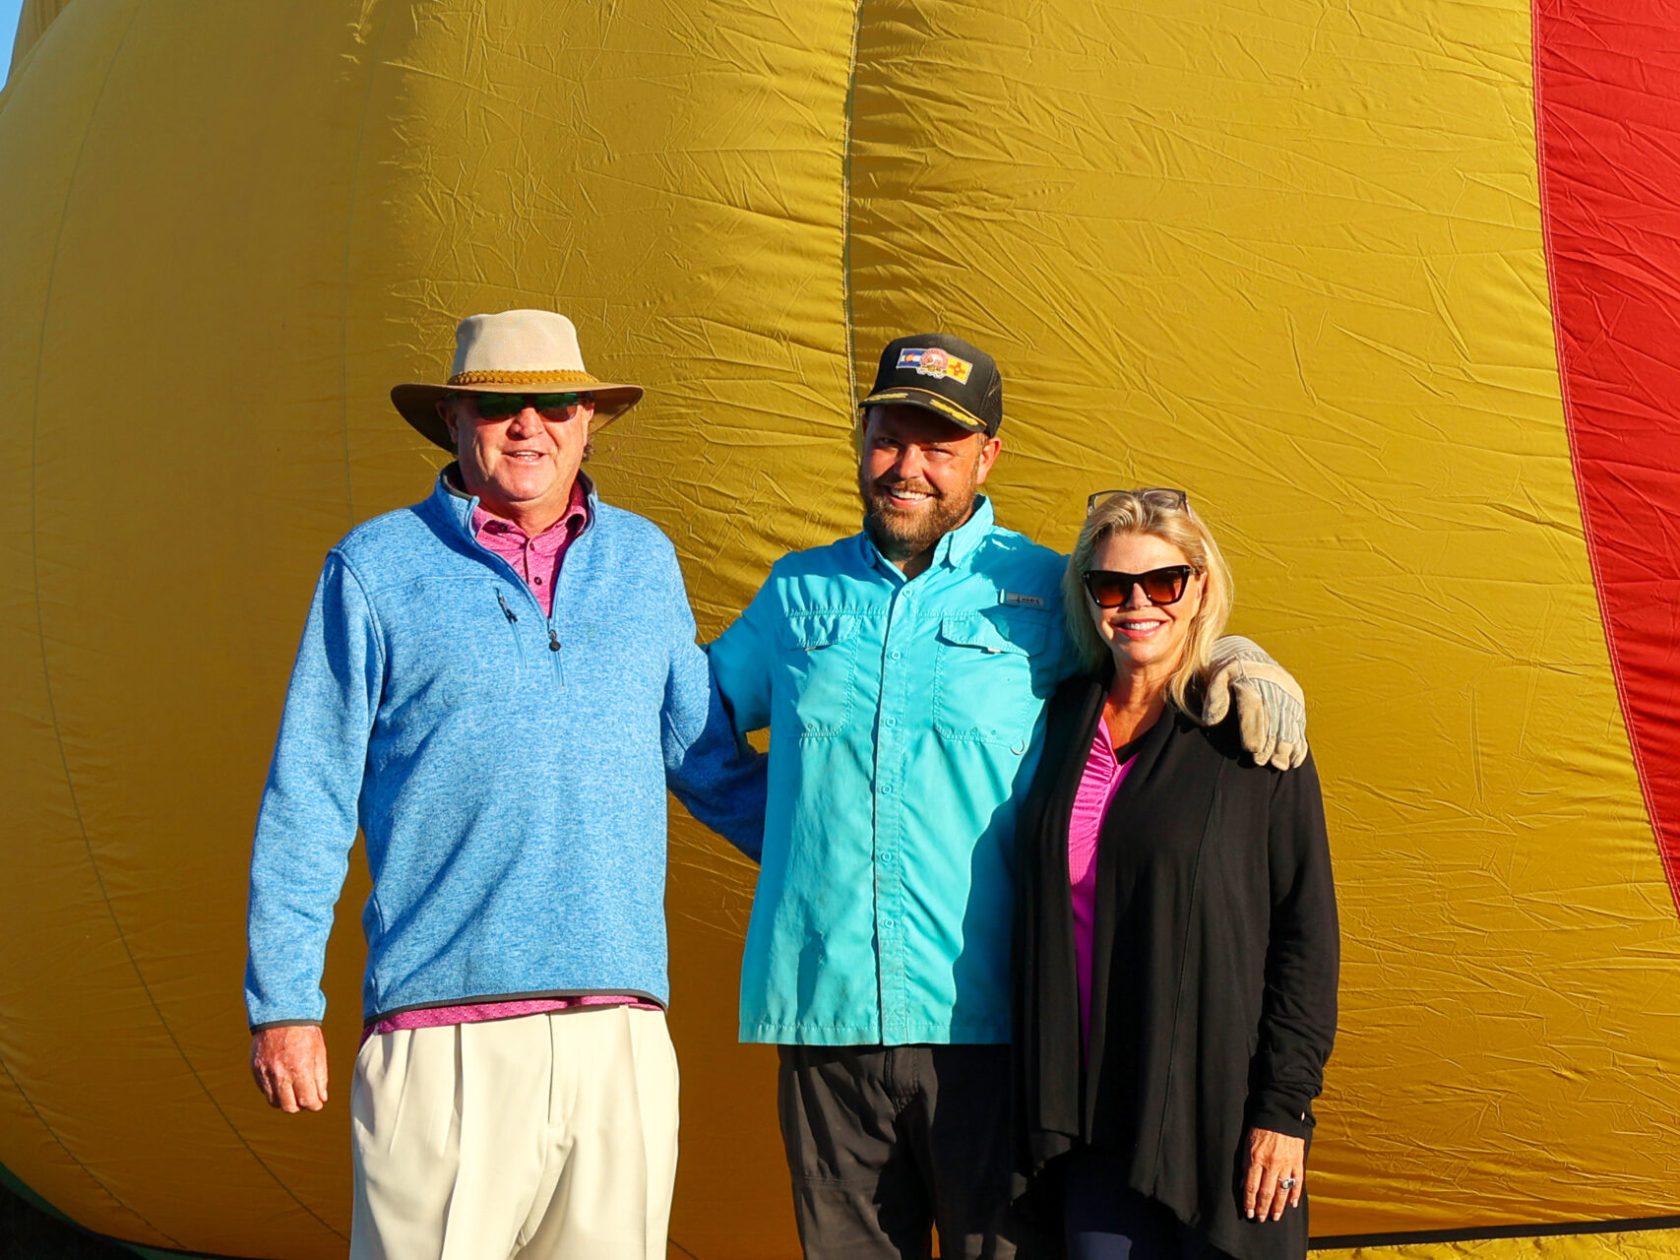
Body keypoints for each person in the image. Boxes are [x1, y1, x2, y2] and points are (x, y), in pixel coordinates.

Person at [707, 335, 1309, 1259]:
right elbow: (689, 722)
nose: (909, 468)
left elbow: (1147, 645)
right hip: (824, 1018)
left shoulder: (1039, 588)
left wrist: (1243, 657)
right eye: (888, 438)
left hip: (989, 1026)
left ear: (986, 457)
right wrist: (789, 833)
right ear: (860, 437)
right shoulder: (798, 594)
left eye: (939, 446)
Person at [243, 310, 764, 1260]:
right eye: (497, 404)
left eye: (554, 401)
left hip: (618, 1032)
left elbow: (707, 759)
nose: (529, 423)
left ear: (588, 421)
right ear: (452, 418)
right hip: (441, 1035)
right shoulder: (375, 567)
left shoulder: (644, 560)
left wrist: (854, 849)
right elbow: (309, 792)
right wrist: (284, 1005)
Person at [1011, 489, 1339, 1260]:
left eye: (1163, 582)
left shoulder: (1248, 732)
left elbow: (1306, 934)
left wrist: (1285, 1110)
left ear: (1199, 588)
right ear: (1087, 597)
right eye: (1112, 586)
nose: (1136, 604)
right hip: (1093, 1125)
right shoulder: (1056, 722)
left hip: (1223, 1128)